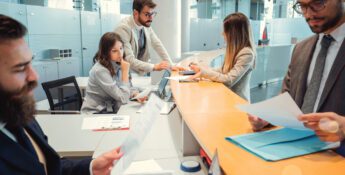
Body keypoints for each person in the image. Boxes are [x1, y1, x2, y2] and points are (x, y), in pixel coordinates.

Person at [0, 14, 123, 174]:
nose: (34, 76)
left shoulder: (21, 115)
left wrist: (91, 168)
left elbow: (49, 167)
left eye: (30, 63)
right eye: (20, 68)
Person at [249, 0, 345, 155]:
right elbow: (287, 98)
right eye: (302, 6)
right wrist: (269, 117)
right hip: (294, 155)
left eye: (318, 3)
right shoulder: (301, 48)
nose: (308, 13)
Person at [189, 12, 256, 101]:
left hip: (238, 103)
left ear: (234, 33)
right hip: (228, 98)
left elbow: (229, 80)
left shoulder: (247, 53)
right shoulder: (235, 50)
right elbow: (223, 70)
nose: (222, 33)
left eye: (225, 31)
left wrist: (204, 73)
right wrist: (201, 69)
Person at [81, 32, 146, 114]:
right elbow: (123, 98)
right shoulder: (100, 70)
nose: (120, 54)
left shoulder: (119, 64)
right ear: (106, 52)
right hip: (95, 113)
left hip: (110, 109)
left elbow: (127, 87)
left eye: (121, 48)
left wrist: (135, 94)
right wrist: (125, 72)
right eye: (114, 51)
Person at [114, 0, 181, 75]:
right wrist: (154, 67)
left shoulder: (145, 24)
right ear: (136, 13)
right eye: (147, 14)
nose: (151, 18)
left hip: (136, 73)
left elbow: (157, 44)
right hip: (122, 73)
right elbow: (129, 59)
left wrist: (171, 65)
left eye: (152, 14)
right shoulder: (123, 28)